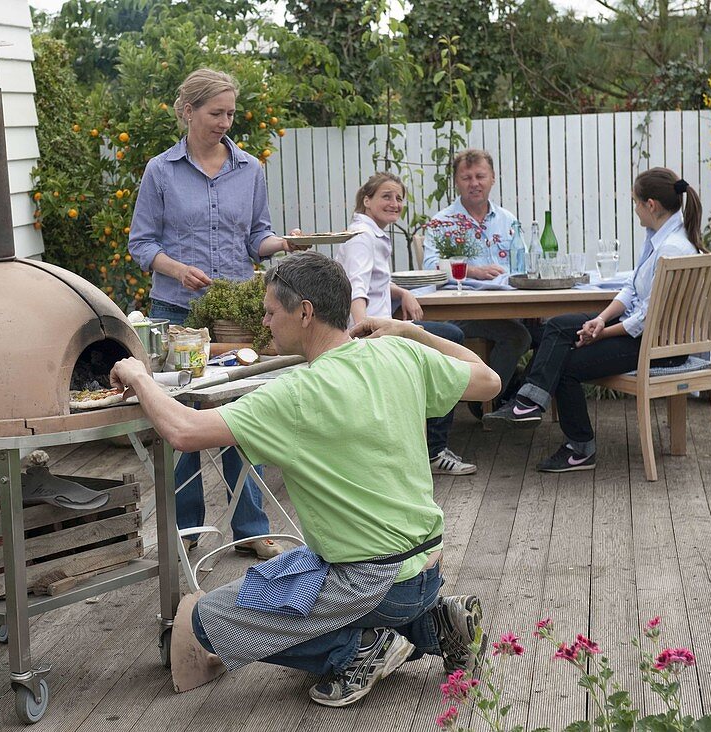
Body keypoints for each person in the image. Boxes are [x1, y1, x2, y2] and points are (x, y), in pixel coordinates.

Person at [110, 252, 502, 706]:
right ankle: (436, 624)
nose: (265, 322)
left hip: (371, 583)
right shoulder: (400, 353)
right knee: (286, 572)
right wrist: (414, 332)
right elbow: (489, 380)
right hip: (427, 568)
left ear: (305, 311)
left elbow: (183, 431)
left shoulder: (295, 394)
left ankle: (358, 649)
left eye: (271, 312)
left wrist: (139, 376)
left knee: (208, 621)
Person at [128, 68, 300, 560]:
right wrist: (177, 269)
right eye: (215, 113)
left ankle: (251, 528)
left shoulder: (250, 170)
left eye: (230, 113)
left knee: (239, 417)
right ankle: (186, 531)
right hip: (176, 313)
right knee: (179, 421)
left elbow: (257, 239)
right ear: (188, 111)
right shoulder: (161, 171)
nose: (225, 122)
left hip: (235, 317)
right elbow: (142, 244)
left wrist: (284, 244)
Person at [484, 168, 706, 472]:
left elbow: (645, 318)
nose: (636, 209)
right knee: (559, 325)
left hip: (657, 344)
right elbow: (631, 290)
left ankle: (579, 449)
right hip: (643, 333)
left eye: (636, 203)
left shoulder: (672, 249)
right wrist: (600, 320)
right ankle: (529, 403)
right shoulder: (659, 237)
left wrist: (601, 334)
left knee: (565, 364)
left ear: (651, 205)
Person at [336, 172, 475, 476]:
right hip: (374, 332)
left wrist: (401, 292)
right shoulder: (362, 237)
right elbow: (354, 288)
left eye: (399, 198)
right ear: (367, 200)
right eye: (386, 196)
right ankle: (435, 451)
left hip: (381, 326)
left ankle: (429, 444)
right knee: (450, 342)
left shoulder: (371, 233)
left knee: (447, 337)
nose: (394, 203)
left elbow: (373, 281)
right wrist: (363, 335)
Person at [423, 149, 533, 413]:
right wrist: (473, 271)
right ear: (457, 182)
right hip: (460, 313)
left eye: (480, 176)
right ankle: (484, 401)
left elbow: (524, 266)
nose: (474, 183)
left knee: (552, 332)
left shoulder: (508, 220)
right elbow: (429, 267)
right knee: (518, 337)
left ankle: (519, 399)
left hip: (509, 309)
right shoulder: (442, 222)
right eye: (466, 177)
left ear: (492, 178)